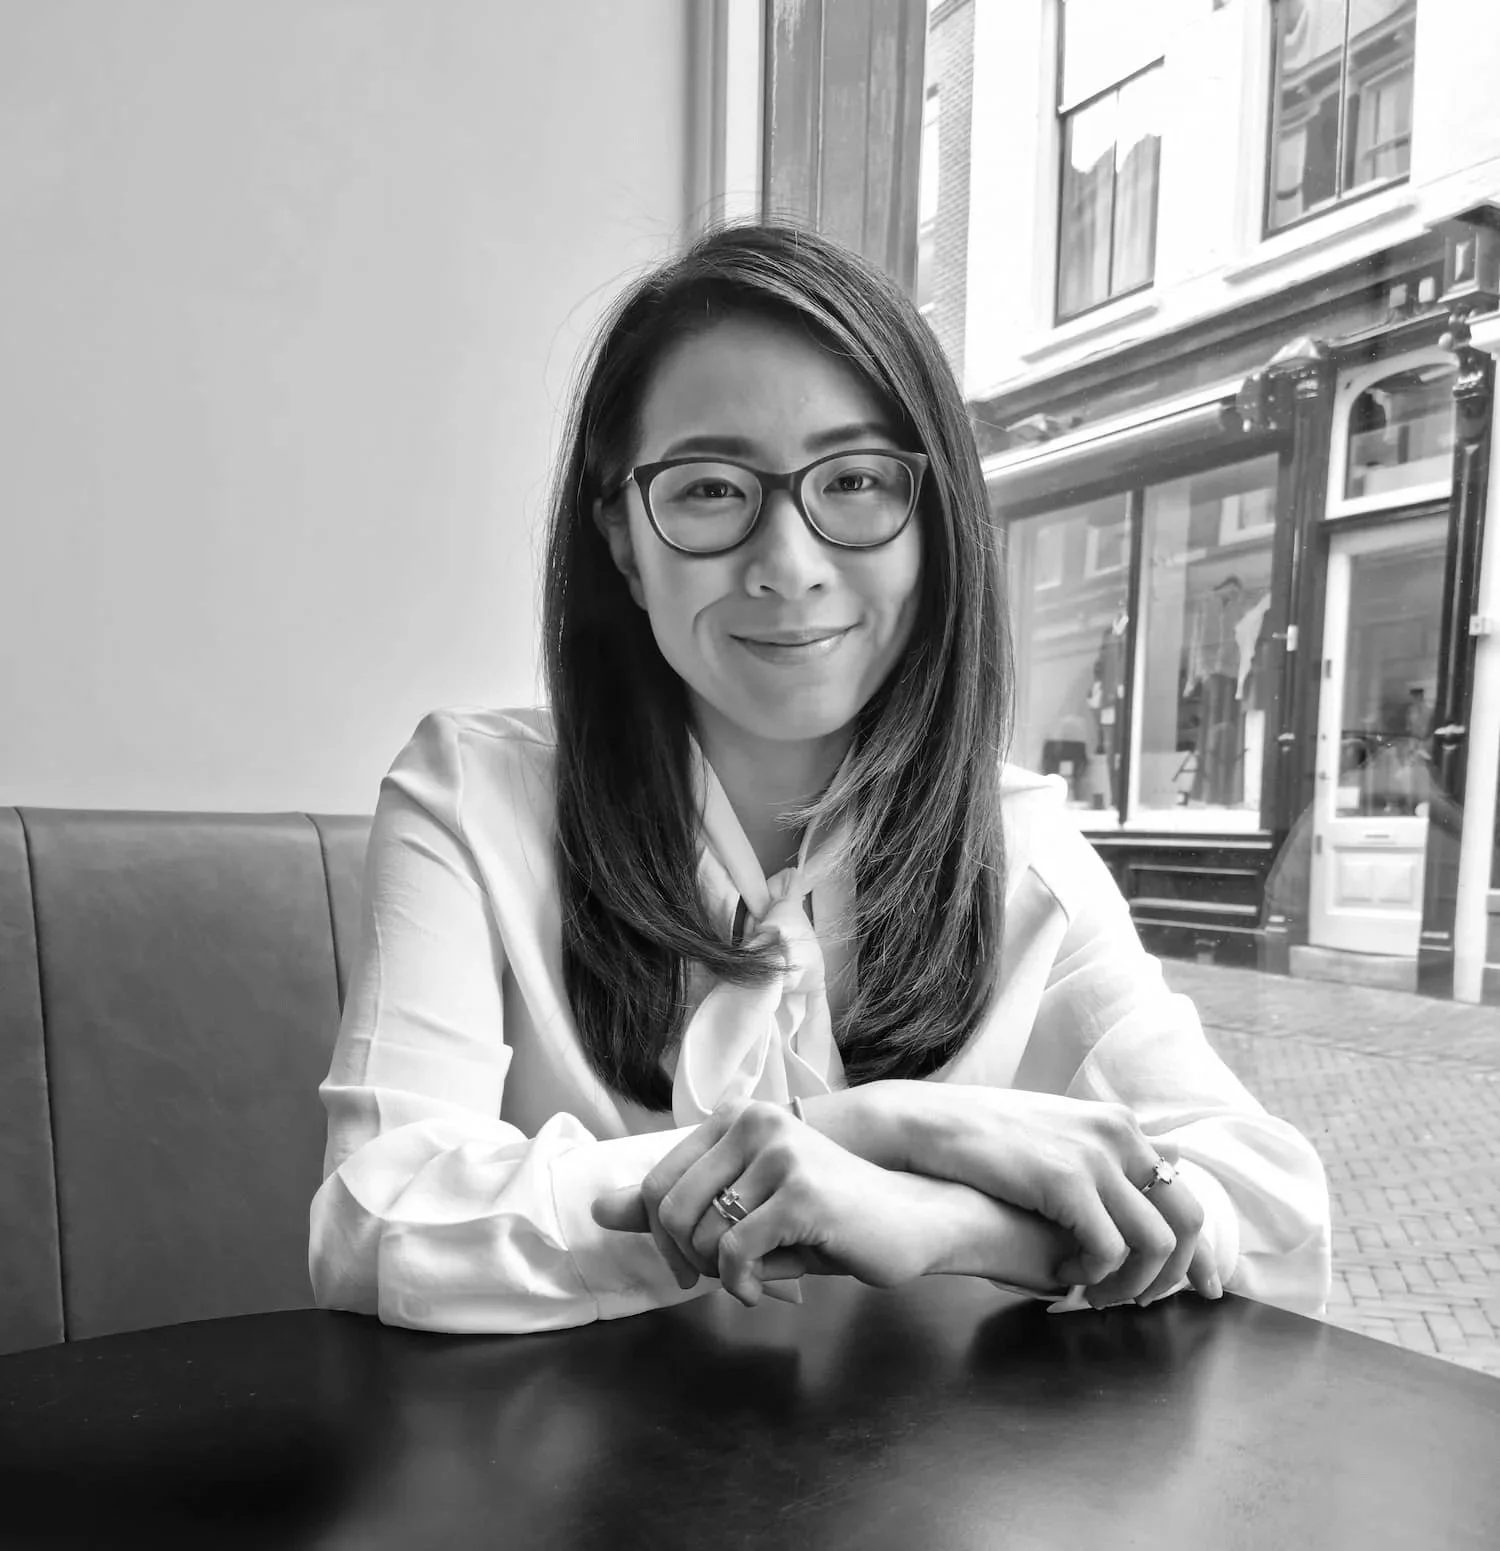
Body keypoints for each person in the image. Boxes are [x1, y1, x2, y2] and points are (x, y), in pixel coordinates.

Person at [309, 222, 1331, 1335]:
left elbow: (1272, 1217)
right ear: (620, 536)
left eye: (853, 480)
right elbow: (377, 1225)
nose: (789, 567)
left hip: (915, 1488)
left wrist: (944, 1222)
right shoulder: (471, 798)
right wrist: (875, 1133)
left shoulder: (1014, 844)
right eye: (709, 491)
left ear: (930, 524)